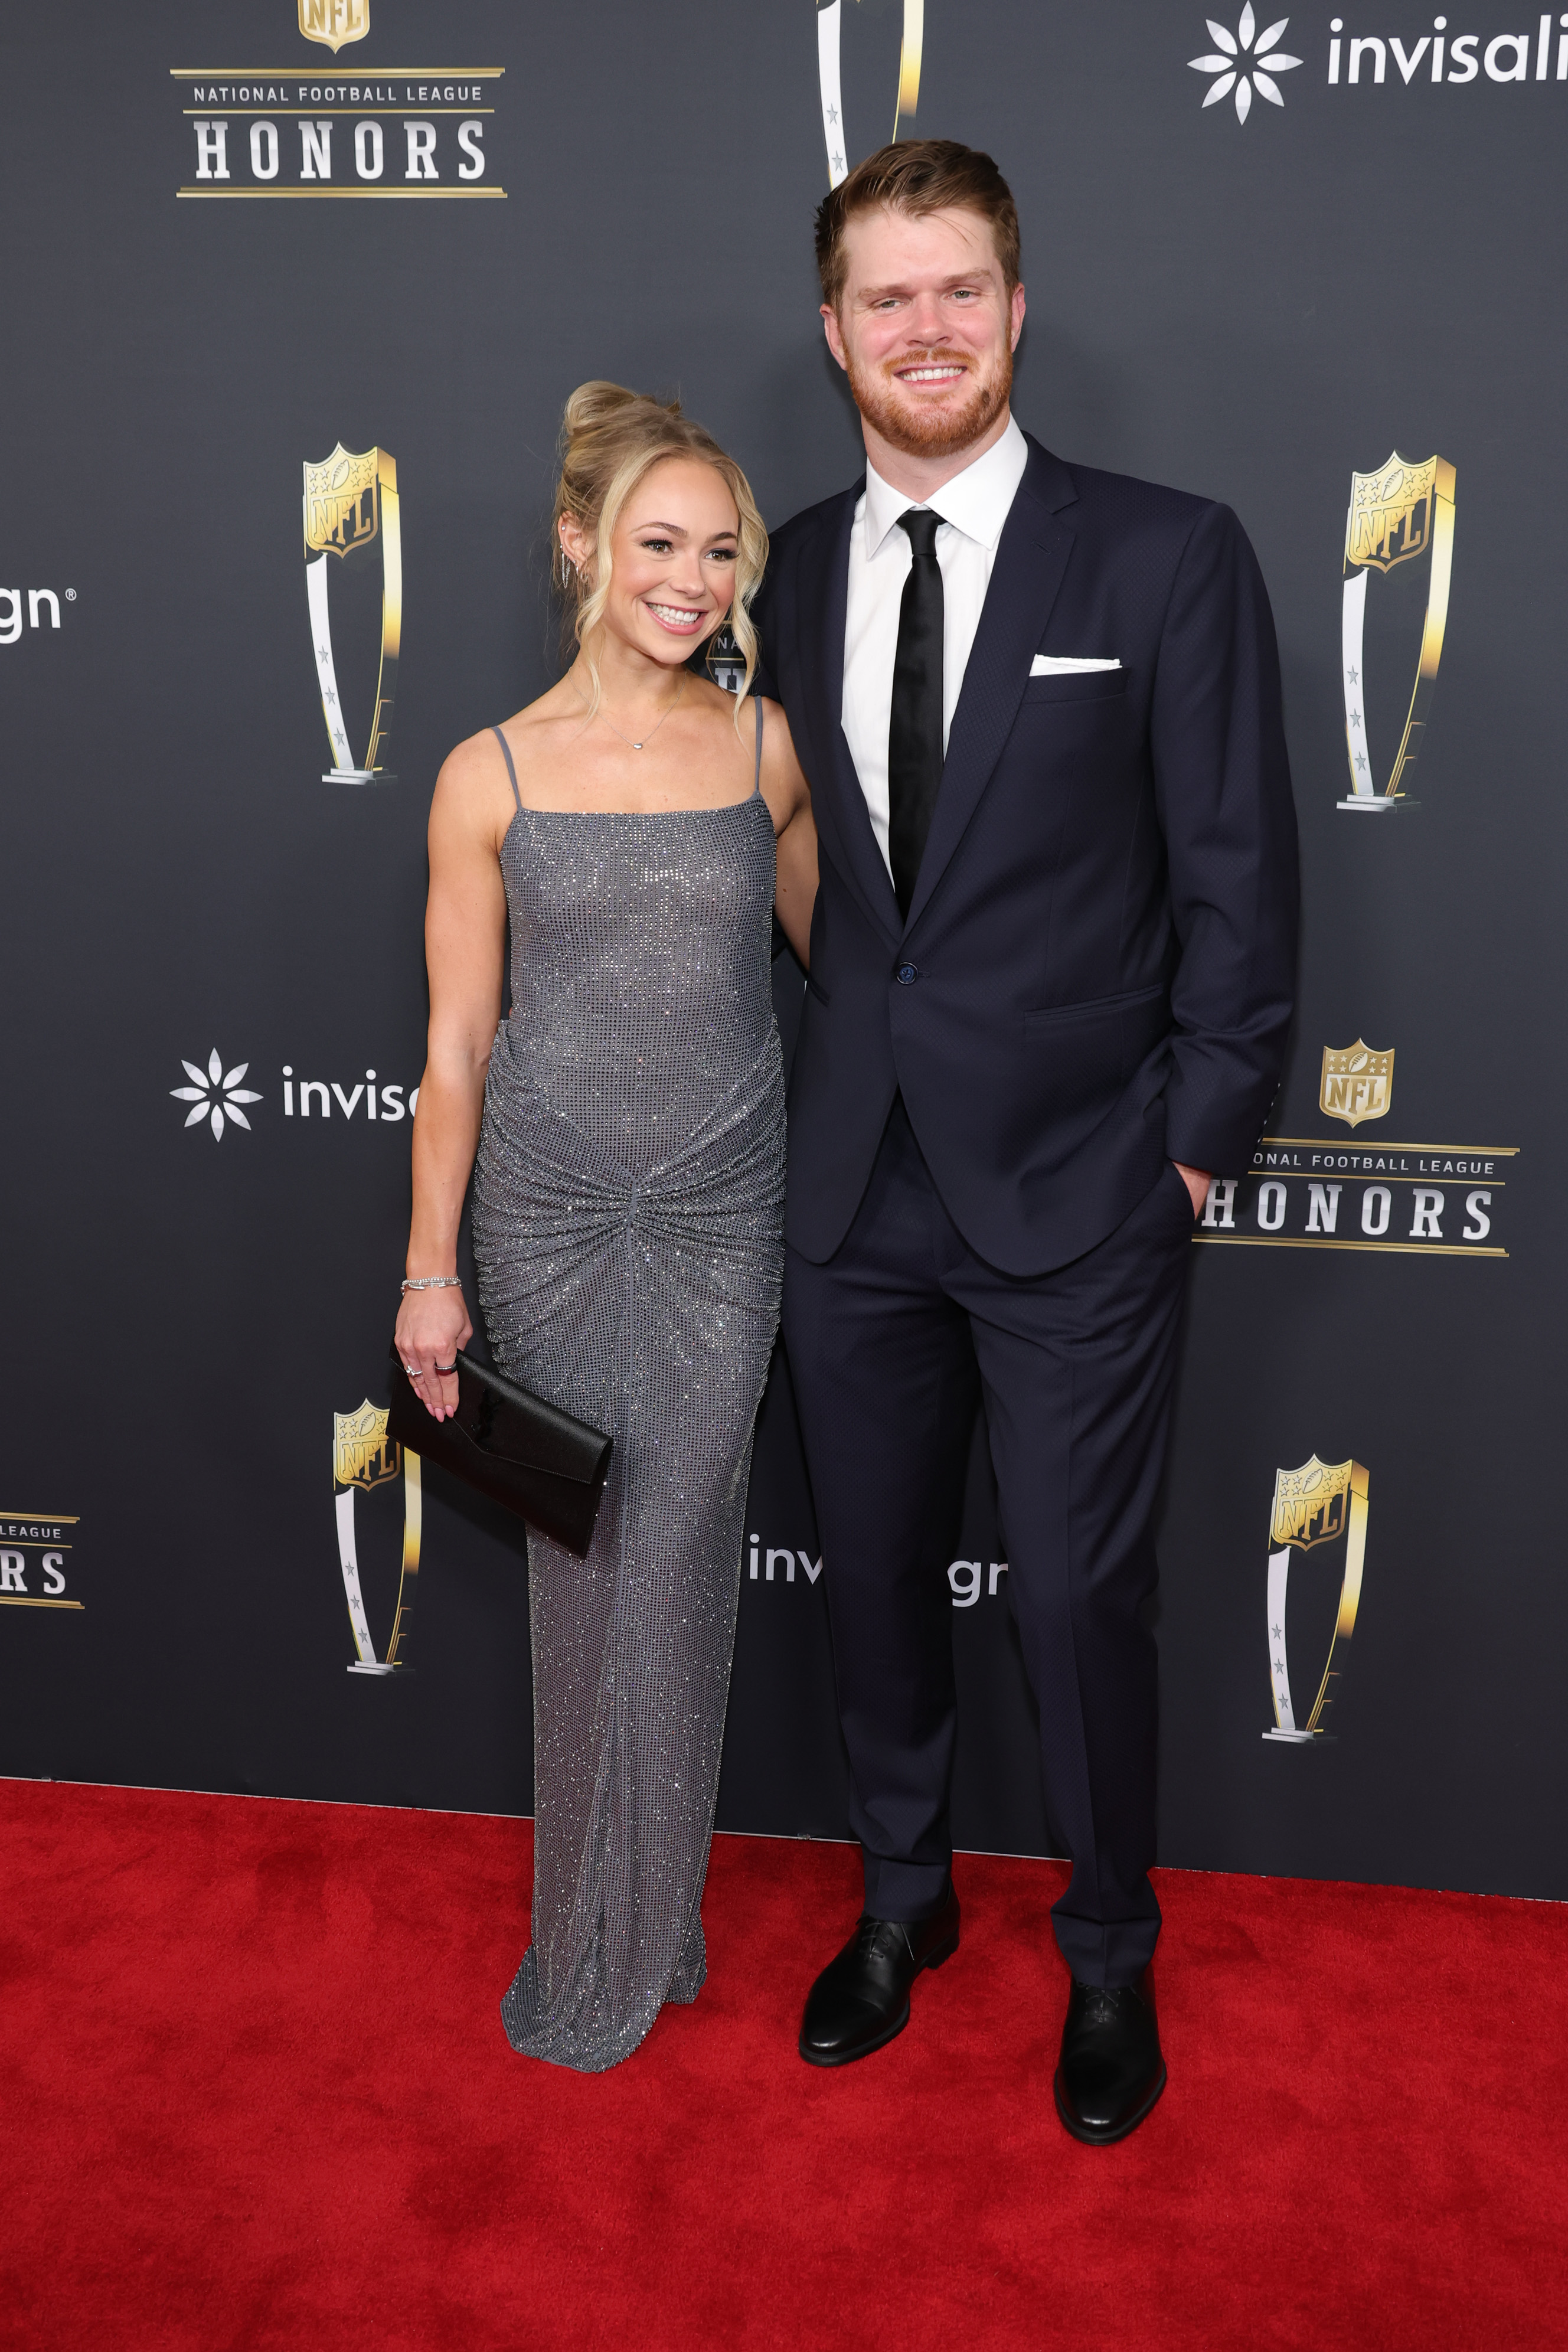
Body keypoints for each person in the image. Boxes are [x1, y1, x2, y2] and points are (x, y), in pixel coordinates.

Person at [753, 142, 1298, 2141]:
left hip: (1087, 1185)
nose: (926, 329)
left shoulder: (1164, 554)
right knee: (878, 1575)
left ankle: (1109, 1957)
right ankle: (905, 1905)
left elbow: (1241, 882)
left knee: (1076, 1603)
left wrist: (1194, 1144)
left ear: (1015, 305)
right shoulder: (788, 568)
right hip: (857, 1183)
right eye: (887, 297)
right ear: (833, 331)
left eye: (959, 288)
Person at [395, 383, 817, 2073]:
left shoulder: (764, 745)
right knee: (589, 1574)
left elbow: (852, 961)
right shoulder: (486, 773)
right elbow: (453, 1046)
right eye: (660, 544)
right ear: (581, 546)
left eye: (722, 552)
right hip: (554, 1212)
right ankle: (603, 1935)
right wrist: (432, 1269)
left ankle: (648, 1918)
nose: (694, 580)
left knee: (684, 1559)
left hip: (723, 1205)